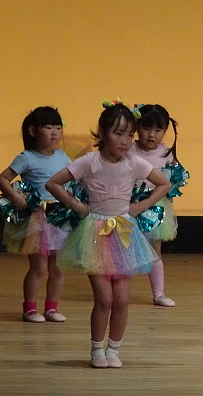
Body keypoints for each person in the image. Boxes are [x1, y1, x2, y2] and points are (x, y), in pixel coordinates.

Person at [46, 101, 171, 368]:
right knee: (104, 299)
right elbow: (53, 183)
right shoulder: (89, 162)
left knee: (122, 300)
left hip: (124, 233)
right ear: (102, 133)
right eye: (118, 133)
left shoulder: (134, 162)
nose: (125, 140)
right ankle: (96, 350)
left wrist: (139, 207)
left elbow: (164, 184)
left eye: (129, 134)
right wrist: (78, 206)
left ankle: (114, 349)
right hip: (95, 233)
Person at [0, 106, 71, 323]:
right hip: (38, 219)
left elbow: (75, 177)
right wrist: (16, 197)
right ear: (32, 131)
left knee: (58, 267)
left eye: (58, 127)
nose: (54, 132)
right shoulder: (27, 157)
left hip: (60, 217)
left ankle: (51, 308)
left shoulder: (62, 156)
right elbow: (2, 179)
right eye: (48, 127)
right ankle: (29, 309)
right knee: (39, 268)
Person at [129, 104, 182, 307]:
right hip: (128, 204)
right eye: (146, 128)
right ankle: (120, 291)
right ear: (136, 127)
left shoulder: (166, 153)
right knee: (123, 248)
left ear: (165, 131)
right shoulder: (129, 149)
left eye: (158, 130)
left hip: (154, 206)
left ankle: (158, 294)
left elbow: (171, 180)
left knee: (154, 249)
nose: (151, 134)